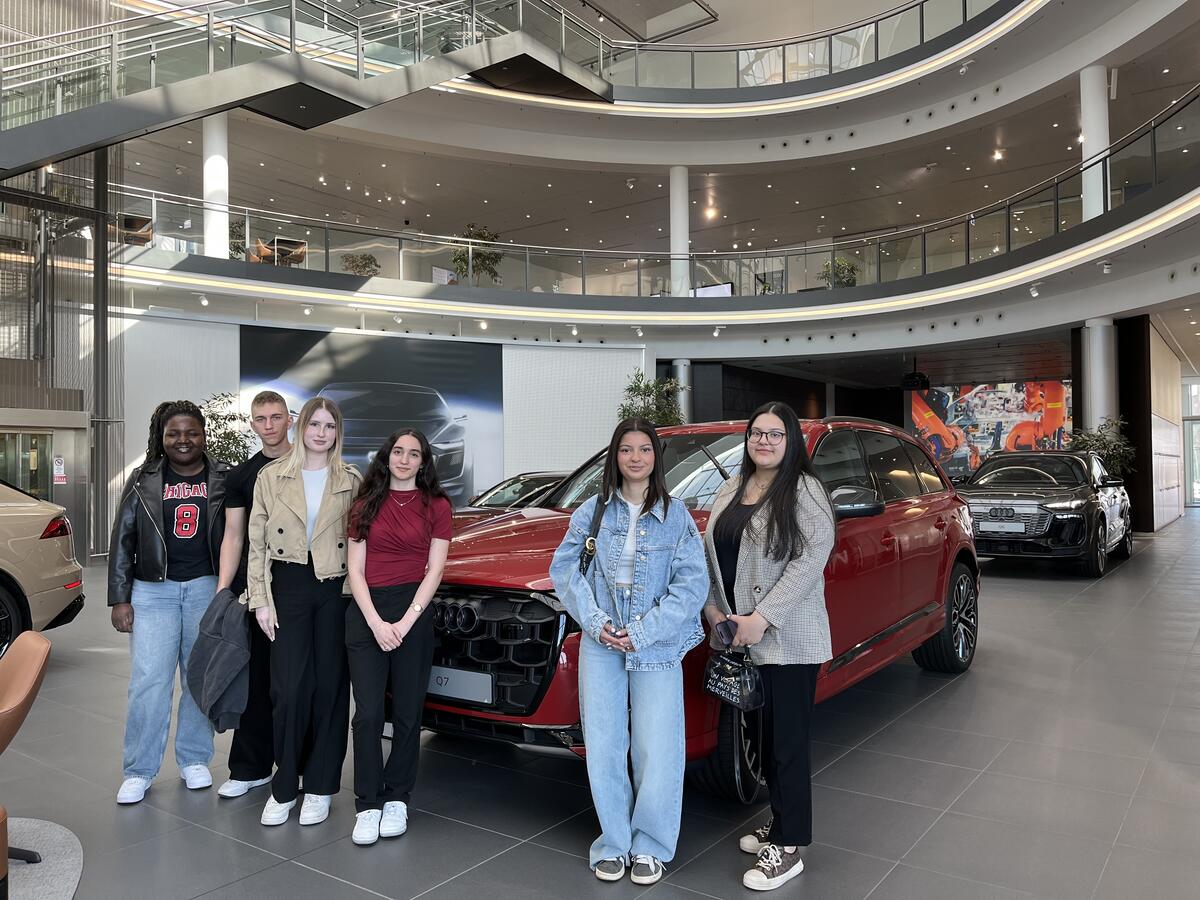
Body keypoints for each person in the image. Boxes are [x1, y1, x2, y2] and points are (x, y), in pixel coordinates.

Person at [549, 418, 707, 886]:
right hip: (601, 641)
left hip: (655, 642)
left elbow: (691, 586)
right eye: (626, 449)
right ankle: (614, 842)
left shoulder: (676, 516)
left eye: (644, 449)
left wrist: (642, 630)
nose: (635, 458)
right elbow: (564, 571)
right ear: (614, 457)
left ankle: (651, 845)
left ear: (656, 457)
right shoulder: (592, 511)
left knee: (657, 747)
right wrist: (597, 623)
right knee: (604, 744)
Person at [702, 401, 836, 892]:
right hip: (739, 637)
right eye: (757, 432)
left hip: (788, 637)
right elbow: (711, 555)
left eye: (775, 434)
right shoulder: (732, 487)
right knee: (763, 739)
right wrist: (713, 609)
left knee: (787, 744)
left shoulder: (804, 489)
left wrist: (762, 618)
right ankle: (779, 821)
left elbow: (811, 559)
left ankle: (791, 844)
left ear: (790, 440)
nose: (764, 441)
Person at [109, 401, 232, 804]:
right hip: (152, 591)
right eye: (174, 433)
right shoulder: (143, 478)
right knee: (149, 681)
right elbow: (123, 539)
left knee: (199, 678)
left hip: (206, 588)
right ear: (162, 437)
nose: (183, 440)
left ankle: (194, 758)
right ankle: (139, 769)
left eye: (191, 432)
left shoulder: (223, 477)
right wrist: (120, 598)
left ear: (203, 435)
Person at [246, 396, 361, 827]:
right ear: (301, 427)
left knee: (330, 688)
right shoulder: (271, 476)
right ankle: (284, 785)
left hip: (335, 589)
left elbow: (362, 543)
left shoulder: (351, 479)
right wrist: (259, 599)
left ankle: (320, 786)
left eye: (330, 426)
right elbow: (256, 544)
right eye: (315, 424)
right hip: (287, 586)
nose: (321, 433)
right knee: (288, 690)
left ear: (337, 432)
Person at [344, 429, 452, 846]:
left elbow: (435, 570)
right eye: (398, 452)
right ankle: (368, 803)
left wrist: (405, 623)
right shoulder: (364, 504)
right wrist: (375, 622)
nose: (404, 459)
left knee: (408, 713)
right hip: (367, 613)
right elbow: (355, 570)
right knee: (369, 714)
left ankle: (397, 798)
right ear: (386, 456)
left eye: (414, 454)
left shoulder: (437, 505)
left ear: (423, 462)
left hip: (414, 614)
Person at [213, 391, 294, 799]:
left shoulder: (310, 467)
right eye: (261, 419)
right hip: (256, 591)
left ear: (289, 420)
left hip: (301, 591)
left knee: (296, 683)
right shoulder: (241, 476)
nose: (269, 425)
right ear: (252, 424)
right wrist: (223, 591)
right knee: (257, 680)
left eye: (276, 417)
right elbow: (234, 535)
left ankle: (298, 766)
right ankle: (250, 767)